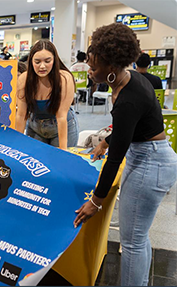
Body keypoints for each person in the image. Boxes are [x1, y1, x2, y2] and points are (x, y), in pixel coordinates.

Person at [74, 23, 177, 286]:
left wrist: (96, 202)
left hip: (150, 163)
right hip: (150, 156)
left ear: (111, 68)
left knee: (131, 241)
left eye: (94, 67)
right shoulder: (128, 79)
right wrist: (107, 141)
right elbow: (132, 129)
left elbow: (116, 158)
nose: (89, 70)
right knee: (138, 237)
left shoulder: (128, 98)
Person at [16, 39, 79, 149]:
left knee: (58, 162)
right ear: (31, 61)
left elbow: (61, 117)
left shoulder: (64, 78)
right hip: (35, 126)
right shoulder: (23, 79)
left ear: (55, 60)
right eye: (37, 62)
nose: (42, 66)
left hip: (62, 126)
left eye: (47, 61)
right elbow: (21, 115)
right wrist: (16, 146)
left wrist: (62, 151)